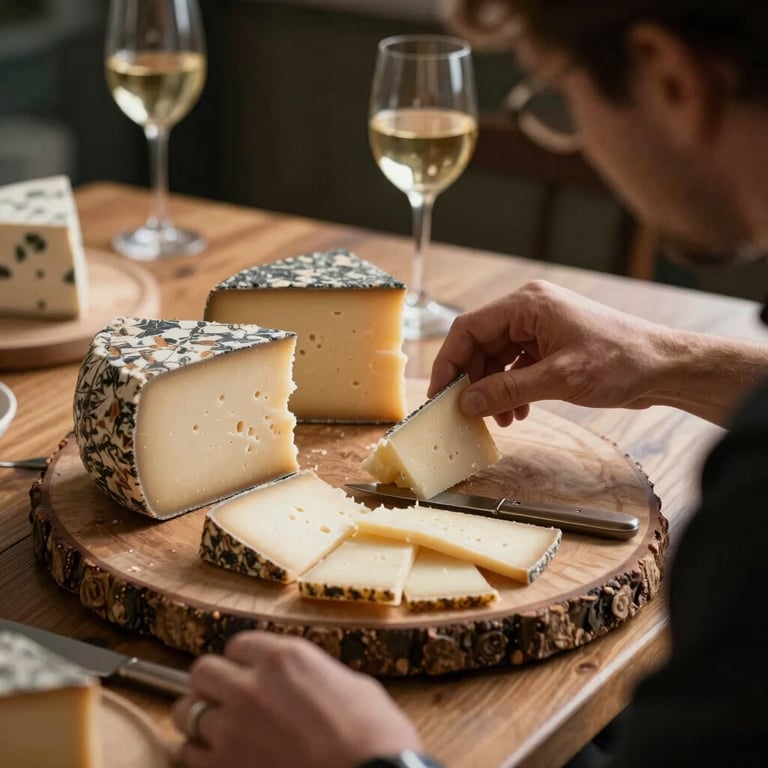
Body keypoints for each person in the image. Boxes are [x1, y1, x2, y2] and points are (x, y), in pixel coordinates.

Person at [172, 1, 768, 765]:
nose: (578, 138)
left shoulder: (753, 503)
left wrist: (377, 762)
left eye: (560, 101)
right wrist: (666, 360)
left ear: (669, 78)